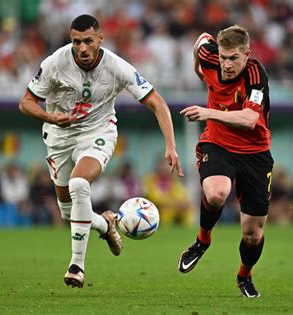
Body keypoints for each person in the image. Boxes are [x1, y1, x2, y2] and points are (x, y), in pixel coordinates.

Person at [19, 14, 183, 288]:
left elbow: (156, 102)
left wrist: (171, 145)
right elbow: (26, 103)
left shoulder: (116, 66)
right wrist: (50, 118)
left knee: (80, 183)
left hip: (98, 133)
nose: (82, 48)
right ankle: (106, 225)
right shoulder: (55, 63)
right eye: (76, 42)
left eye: (87, 41)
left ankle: (77, 266)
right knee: (69, 213)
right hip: (58, 138)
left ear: (100, 39)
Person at [178, 25, 273, 298]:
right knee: (217, 193)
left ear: (247, 55)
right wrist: (200, 70)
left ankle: (245, 275)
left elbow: (249, 120)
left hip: (255, 153)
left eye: (234, 58)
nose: (227, 64)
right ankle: (201, 241)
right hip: (217, 143)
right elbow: (201, 41)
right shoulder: (209, 55)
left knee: (252, 233)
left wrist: (207, 111)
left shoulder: (257, 76)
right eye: (223, 57)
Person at [143, 159, 195, 226]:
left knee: (188, 210)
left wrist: (182, 203)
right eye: (162, 167)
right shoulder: (151, 180)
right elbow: (153, 197)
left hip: (173, 206)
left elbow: (181, 194)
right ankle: (166, 230)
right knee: (167, 211)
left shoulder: (173, 180)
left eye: (167, 167)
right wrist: (171, 203)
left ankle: (188, 231)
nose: (164, 169)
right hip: (158, 209)